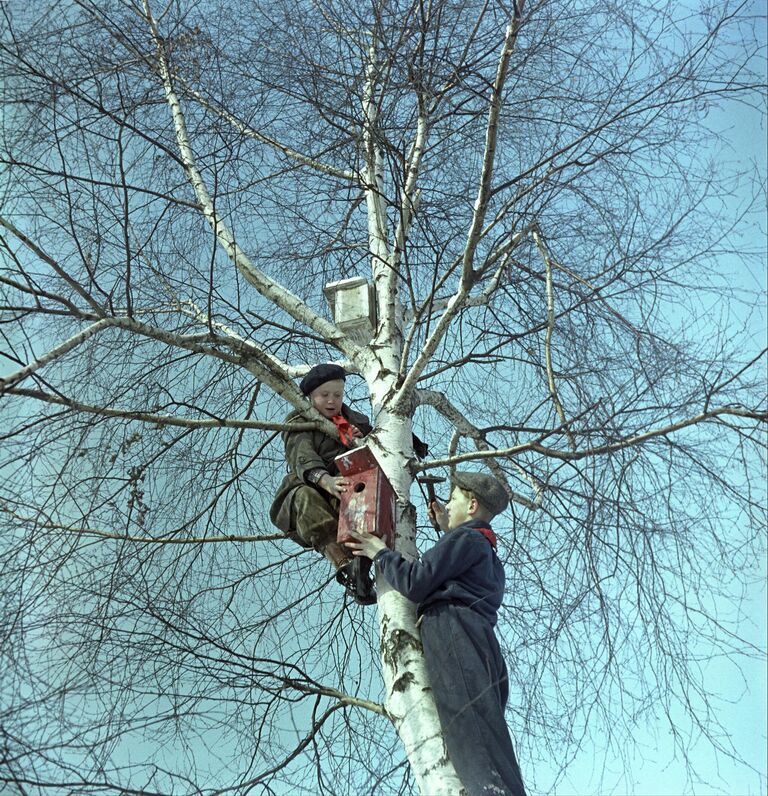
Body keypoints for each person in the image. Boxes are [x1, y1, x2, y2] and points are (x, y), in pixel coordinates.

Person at [346, 471, 528, 796]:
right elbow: (456, 569)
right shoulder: (485, 550)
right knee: (486, 734)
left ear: (471, 505)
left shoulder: (468, 540)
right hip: (477, 641)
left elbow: (416, 581)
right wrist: (446, 529)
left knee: (473, 734)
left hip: (455, 632)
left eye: (453, 498)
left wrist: (379, 552)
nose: (446, 503)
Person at [270, 363, 376, 604]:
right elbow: (301, 454)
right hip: (310, 489)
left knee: (363, 498)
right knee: (306, 498)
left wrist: (365, 440)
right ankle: (344, 565)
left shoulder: (352, 422)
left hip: (346, 492)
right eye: (324, 395)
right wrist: (324, 479)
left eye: (337, 395)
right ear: (310, 397)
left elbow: (383, 441)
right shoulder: (299, 419)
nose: (331, 401)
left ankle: (364, 565)